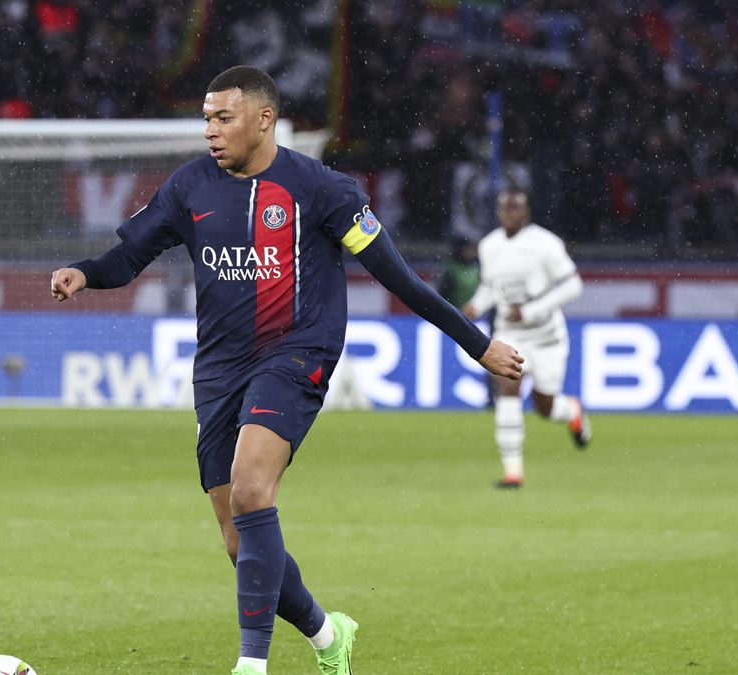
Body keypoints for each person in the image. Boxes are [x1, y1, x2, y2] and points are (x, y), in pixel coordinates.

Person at [50, 66, 523, 675]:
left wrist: (476, 344)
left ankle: (252, 664)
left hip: (297, 353)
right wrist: (85, 272)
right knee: (237, 537)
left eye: (224, 118)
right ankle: (330, 637)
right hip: (219, 366)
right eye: (206, 119)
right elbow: (128, 257)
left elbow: (398, 277)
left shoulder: (323, 190)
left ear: (264, 119)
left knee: (252, 488)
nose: (210, 132)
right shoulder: (190, 186)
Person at [463, 189, 592, 489]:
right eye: (504, 208)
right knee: (508, 388)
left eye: (515, 208)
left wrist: (531, 310)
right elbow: (490, 286)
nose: (509, 213)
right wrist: (476, 305)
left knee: (545, 407)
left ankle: (572, 410)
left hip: (547, 337)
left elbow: (573, 286)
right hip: (509, 334)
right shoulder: (489, 245)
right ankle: (513, 472)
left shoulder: (546, 244)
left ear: (527, 212)